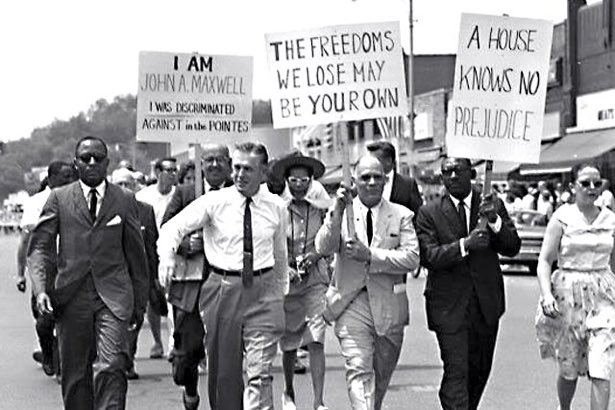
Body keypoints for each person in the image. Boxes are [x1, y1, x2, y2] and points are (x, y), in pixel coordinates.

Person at [158, 142, 288, 410]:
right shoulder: (214, 201)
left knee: (260, 370)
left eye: (248, 169)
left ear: (263, 172)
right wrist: (168, 257)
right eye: (237, 167)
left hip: (263, 292)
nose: (240, 174)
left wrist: (280, 294)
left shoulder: (277, 207)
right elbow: (172, 229)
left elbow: (280, 254)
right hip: (223, 290)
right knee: (225, 372)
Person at [27, 136, 148, 410]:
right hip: (71, 296)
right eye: (85, 158)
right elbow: (40, 249)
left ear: (107, 162)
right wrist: (41, 289)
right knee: (75, 373)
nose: (92, 162)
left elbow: (137, 258)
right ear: (76, 163)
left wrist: (139, 304)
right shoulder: (59, 198)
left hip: (113, 297)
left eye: (97, 157)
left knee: (112, 364)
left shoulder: (124, 200)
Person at [414, 157, 520, 410]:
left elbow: (512, 247)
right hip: (449, 308)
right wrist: (464, 245)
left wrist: (494, 222)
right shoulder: (429, 212)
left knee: (479, 370)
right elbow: (429, 256)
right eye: (446, 172)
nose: (452, 176)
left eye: (457, 171)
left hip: (485, 306)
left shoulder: (490, 205)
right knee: (456, 371)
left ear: (470, 173)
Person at [315, 155, 420, 410]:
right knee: (359, 367)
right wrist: (337, 210)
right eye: (365, 177)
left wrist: (371, 256)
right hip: (351, 302)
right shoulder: (341, 212)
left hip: (388, 305)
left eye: (377, 177)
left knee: (380, 376)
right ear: (354, 182)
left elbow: (412, 258)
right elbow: (323, 247)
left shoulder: (401, 215)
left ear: (386, 180)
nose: (371, 183)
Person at [535, 164, 615, 410]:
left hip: (602, 294)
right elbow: (545, 261)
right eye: (585, 183)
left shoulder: (611, 219)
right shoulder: (562, 218)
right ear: (573, 187)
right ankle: (564, 407)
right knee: (569, 368)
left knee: (602, 367)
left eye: (597, 183)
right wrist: (546, 294)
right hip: (568, 295)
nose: (592, 188)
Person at [160, 143, 233, 409]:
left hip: (229, 282)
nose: (213, 165)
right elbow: (166, 229)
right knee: (188, 353)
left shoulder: (239, 193)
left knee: (227, 354)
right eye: (208, 160)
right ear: (201, 164)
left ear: (229, 164)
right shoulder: (186, 193)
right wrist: (185, 245)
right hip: (191, 283)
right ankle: (190, 389)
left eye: (219, 160)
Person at [271, 152, 331, 410]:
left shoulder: (321, 209)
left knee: (316, 338)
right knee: (290, 342)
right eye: (293, 180)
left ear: (311, 181)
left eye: (303, 180)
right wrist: (286, 267)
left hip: (315, 279)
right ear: (286, 181)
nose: (298, 185)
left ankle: (318, 401)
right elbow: (272, 245)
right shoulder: (277, 209)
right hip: (288, 281)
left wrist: (315, 254)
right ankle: (288, 391)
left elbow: (330, 240)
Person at [16, 161, 77, 377]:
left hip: (72, 270)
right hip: (47, 269)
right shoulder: (37, 203)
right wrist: (21, 274)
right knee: (45, 319)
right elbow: (30, 244)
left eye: (72, 176)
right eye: (64, 177)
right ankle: (47, 351)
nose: (69, 181)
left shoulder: (80, 198)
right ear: (50, 180)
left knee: (69, 320)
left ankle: (64, 364)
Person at [110, 167, 159, 380]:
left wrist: (155, 277)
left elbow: (151, 246)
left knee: (135, 319)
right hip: (112, 277)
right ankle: (119, 360)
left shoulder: (146, 211)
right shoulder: (104, 210)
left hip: (139, 276)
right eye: (118, 184)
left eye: (127, 184)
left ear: (134, 187)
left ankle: (127, 358)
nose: (123, 189)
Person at [136, 157, 178, 358]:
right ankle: (157, 341)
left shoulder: (178, 195)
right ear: (158, 172)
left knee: (172, 297)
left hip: (173, 251)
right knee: (153, 298)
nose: (172, 174)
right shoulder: (144, 196)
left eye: (174, 170)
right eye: (168, 170)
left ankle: (173, 343)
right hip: (150, 250)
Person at [365, 140, 422, 214]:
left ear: (388, 161)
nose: (370, 164)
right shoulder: (365, 183)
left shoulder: (408, 185)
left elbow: (417, 215)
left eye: (374, 161)